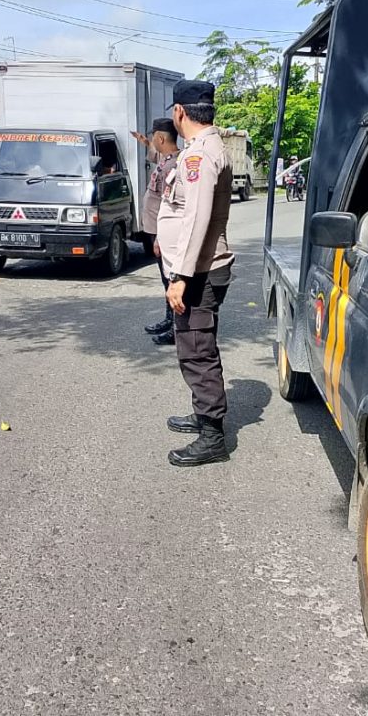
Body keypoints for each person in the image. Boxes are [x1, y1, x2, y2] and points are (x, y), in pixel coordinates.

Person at [157, 80, 234, 467]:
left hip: (199, 272)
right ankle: (203, 415)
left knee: (197, 352)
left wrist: (181, 276)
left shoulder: (199, 156)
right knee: (196, 347)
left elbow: (197, 217)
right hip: (198, 268)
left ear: (179, 112)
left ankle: (213, 436)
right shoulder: (202, 150)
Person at [132, 118, 180, 345]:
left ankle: (175, 328)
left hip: (162, 233)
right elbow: (155, 155)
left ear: (161, 138)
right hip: (154, 230)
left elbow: (168, 203)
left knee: (170, 278)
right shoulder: (167, 158)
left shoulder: (173, 165)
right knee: (165, 279)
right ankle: (169, 319)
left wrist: (160, 237)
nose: (152, 141)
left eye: (153, 138)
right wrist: (145, 143)